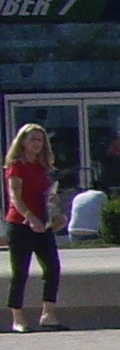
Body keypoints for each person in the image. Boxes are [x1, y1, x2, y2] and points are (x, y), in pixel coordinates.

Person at [6, 123, 61, 330]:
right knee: (20, 271)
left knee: (52, 268)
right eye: (32, 139)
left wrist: (56, 212)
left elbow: (48, 196)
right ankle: (17, 318)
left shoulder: (43, 167)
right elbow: (15, 197)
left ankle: (48, 314)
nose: (36, 144)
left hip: (43, 223)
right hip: (20, 224)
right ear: (23, 142)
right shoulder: (16, 165)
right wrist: (30, 217)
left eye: (40, 140)